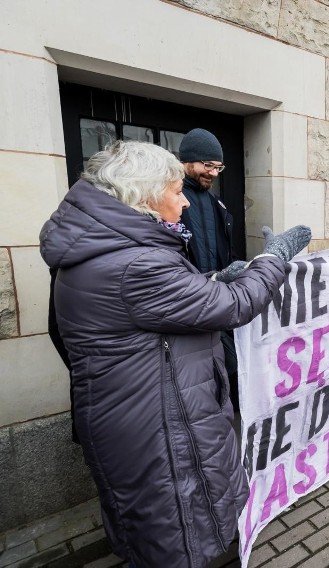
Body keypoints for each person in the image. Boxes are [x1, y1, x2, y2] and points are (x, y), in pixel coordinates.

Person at [39, 141, 312, 567]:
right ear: (144, 196)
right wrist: (273, 259)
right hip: (160, 428)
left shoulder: (103, 250)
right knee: (178, 534)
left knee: (158, 531)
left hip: (137, 416)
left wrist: (214, 277)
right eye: (174, 190)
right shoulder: (136, 263)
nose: (184, 200)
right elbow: (234, 306)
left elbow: (151, 307)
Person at [177, 128, 242, 411]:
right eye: (207, 165)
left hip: (217, 305)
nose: (214, 173)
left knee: (232, 369)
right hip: (186, 310)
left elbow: (225, 254)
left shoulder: (216, 203)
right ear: (187, 161)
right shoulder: (170, 200)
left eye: (218, 167)